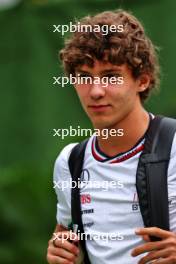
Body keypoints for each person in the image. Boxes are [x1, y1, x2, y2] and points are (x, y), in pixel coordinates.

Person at [47, 9, 176, 264]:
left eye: (111, 77)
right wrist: (58, 253)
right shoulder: (70, 162)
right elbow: (65, 235)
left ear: (142, 81)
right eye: (84, 77)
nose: (95, 91)